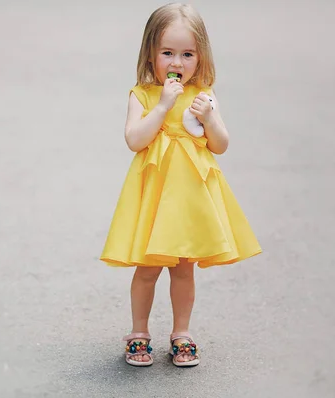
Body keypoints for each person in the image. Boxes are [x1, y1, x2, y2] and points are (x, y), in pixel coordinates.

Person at [99, 3, 262, 367]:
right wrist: (161, 106)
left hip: (189, 197)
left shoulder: (204, 95)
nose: (177, 62)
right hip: (156, 195)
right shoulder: (141, 94)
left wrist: (211, 118)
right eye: (168, 53)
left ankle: (181, 333)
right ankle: (138, 332)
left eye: (187, 54)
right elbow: (134, 139)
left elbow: (219, 145)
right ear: (150, 54)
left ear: (200, 57)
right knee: (147, 268)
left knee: (184, 268)